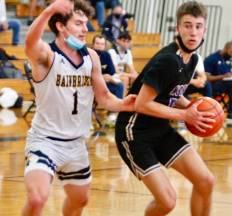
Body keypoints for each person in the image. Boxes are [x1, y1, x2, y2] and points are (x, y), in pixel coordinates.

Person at [22, 0, 135, 215]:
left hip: (76, 144)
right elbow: (29, 44)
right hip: (45, 141)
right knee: (37, 199)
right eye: (79, 23)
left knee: (80, 200)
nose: (86, 29)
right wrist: (49, 10)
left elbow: (103, 98)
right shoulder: (48, 55)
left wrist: (123, 104)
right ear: (61, 26)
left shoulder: (90, 56)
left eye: (86, 23)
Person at [115, 1, 215, 215]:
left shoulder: (192, 58)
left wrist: (193, 108)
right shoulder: (168, 60)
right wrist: (184, 115)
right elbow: (142, 104)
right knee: (167, 201)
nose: (193, 32)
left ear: (204, 30)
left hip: (160, 129)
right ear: (178, 28)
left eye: (198, 26)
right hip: (134, 133)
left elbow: (172, 93)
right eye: (187, 25)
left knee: (205, 181)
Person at [92, 34, 124, 123]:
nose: (99, 46)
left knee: (119, 85)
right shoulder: (88, 54)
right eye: (97, 43)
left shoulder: (106, 55)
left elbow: (112, 72)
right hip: (90, 84)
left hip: (103, 84)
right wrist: (100, 77)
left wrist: (111, 78)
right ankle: (90, 113)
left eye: (102, 44)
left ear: (105, 46)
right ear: (93, 44)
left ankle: (113, 114)